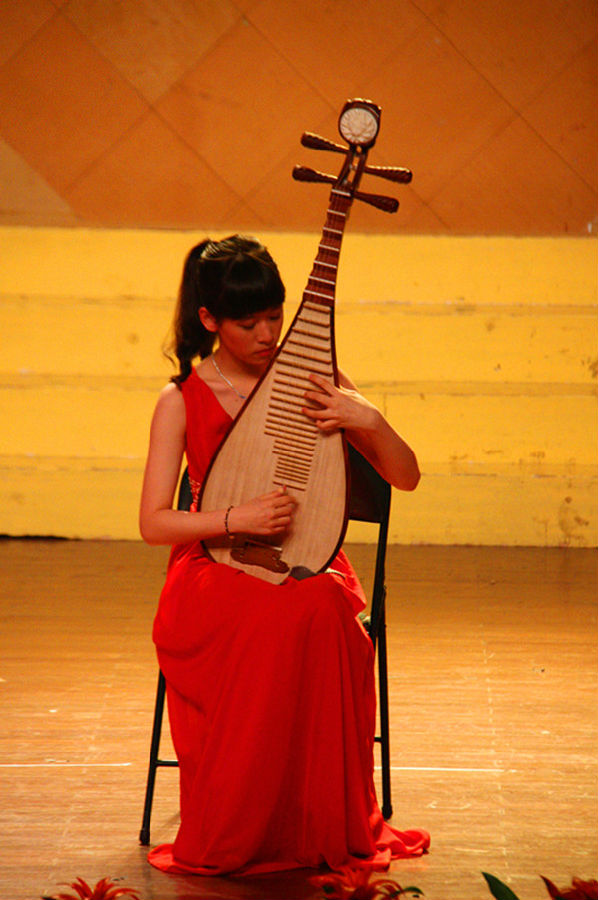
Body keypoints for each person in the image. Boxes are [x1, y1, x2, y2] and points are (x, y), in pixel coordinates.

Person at [139, 234, 430, 876]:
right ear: (210, 320)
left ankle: (314, 823)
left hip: (309, 560)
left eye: (274, 316)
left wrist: (366, 418)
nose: (267, 334)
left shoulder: (318, 382)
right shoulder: (180, 399)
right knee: (272, 619)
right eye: (248, 323)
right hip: (212, 568)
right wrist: (233, 519)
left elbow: (406, 477)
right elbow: (154, 522)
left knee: (321, 610)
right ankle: (247, 827)